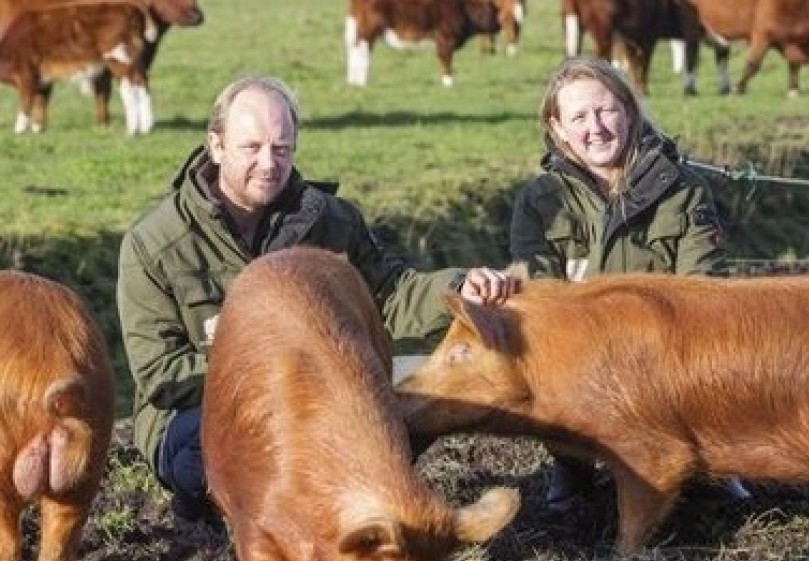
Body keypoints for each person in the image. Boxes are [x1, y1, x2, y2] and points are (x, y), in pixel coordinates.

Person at [116, 75, 519, 527]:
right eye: (252, 148)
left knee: (419, 395)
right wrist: (285, 370)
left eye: (282, 148)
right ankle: (212, 514)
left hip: (322, 396)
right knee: (206, 454)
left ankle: (347, 514)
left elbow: (390, 293)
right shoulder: (153, 245)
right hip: (207, 409)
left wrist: (459, 288)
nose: (269, 164)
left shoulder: (330, 221)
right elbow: (160, 376)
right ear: (216, 145)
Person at [509, 56, 741, 513]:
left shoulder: (683, 188)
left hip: (667, 353)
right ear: (557, 128)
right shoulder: (539, 201)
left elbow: (705, 289)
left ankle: (706, 462)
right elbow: (540, 298)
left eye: (605, 110)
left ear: (629, 113)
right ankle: (573, 464)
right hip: (582, 358)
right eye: (578, 116)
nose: (595, 127)